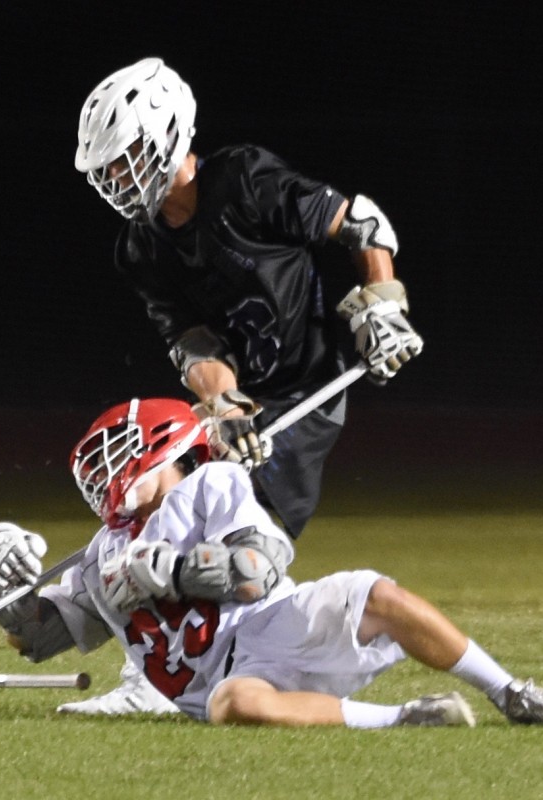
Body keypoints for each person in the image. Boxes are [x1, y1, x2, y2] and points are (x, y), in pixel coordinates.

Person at [64, 57, 425, 713]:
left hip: (305, 389)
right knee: (163, 501)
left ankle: (194, 671)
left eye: (124, 160)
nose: (116, 180)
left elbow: (362, 222)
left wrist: (383, 302)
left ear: (166, 135)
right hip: (240, 398)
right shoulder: (141, 247)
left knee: (236, 531)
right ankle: (131, 650)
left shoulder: (244, 181)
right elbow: (193, 342)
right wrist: (224, 404)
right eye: (107, 170)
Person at [0, 398, 543, 728]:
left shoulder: (210, 483)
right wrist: (5, 585)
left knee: (378, 594)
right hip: (213, 684)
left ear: (165, 443)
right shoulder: (99, 554)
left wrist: (174, 572)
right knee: (234, 707)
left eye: (117, 450)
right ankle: (406, 718)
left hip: (273, 623)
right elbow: (35, 640)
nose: (101, 471)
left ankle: (512, 693)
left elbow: (258, 571)